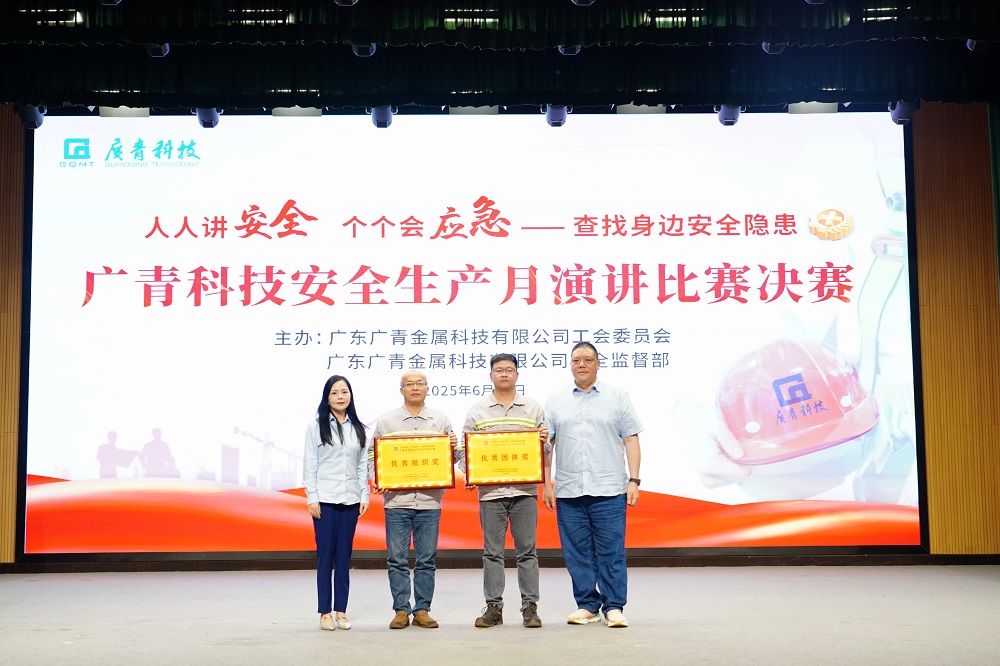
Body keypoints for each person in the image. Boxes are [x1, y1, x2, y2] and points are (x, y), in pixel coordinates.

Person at [543, 341, 643, 628]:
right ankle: (587, 605)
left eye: (588, 359)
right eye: (576, 360)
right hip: (569, 489)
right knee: (577, 553)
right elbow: (547, 446)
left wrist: (634, 480)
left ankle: (614, 606)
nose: (582, 364)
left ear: (598, 364)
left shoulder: (617, 396)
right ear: (570, 365)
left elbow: (631, 439)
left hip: (609, 488)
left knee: (612, 551)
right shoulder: (555, 399)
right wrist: (547, 485)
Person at [462, 353, 549, 629]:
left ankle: (530, 608)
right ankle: (494, 608)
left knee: (527, 551)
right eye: (498, 370)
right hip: (491, 494)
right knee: (492, 553)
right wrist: (472, 472)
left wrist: (545, 442)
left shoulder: (532, 408)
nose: (504, 374)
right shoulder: (478, 410)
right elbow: (464, 450)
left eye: (509, 370)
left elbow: (545, 450)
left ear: (517, 375)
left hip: (524, 492)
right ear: (491, 375)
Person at [370, 370, 460, 630]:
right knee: (396, 559)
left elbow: (453, 459)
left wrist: (453, 447)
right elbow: (372, 455)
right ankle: (401, 609)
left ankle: (422, 609)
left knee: (426, 560)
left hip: (429, 502)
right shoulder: (387, 420)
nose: (415, 387)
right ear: (401, 390)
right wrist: (376, 478)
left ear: (427, 388)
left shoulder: (440, 419)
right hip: (396, 501)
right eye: (409, 384)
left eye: (420, 383)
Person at [303, 374, 370, 632]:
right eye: (334, 392)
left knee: (343, 558)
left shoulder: (359, 428)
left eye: (344, 392)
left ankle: (341, 611)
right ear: (327, 397)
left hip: (350, 499)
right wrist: (312, 497)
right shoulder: (316, 427)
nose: (340, 397)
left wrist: (364, 495)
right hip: (325, 501)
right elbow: (310, 464)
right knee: (325, 558)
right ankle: (324, 612)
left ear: (350, 395)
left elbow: (362, 465)